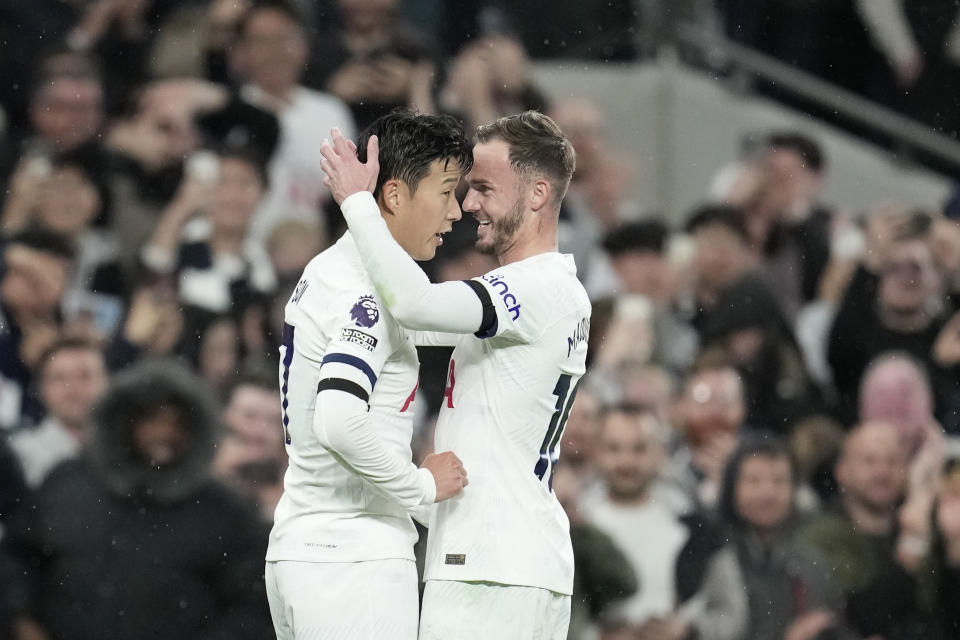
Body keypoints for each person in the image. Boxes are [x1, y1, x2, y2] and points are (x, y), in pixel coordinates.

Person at [321, 110, 592, 639]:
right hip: (514, 565)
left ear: (537, 194)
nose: (469, 204)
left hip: (491, 567)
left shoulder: (536, 288)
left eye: (484, 188)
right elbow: (408, 328)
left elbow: (414, 304)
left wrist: (358, 203)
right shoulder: (545, 293)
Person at [265, 111, 471, 640]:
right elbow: (338, 420)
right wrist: (420, 486)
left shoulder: (332, 269)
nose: (456, 212)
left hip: (307, 550)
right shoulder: (365, 292)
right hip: (352, 561)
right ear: (395, 195)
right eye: (447, 191)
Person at [1, 360, 273, 639]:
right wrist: (22, 619)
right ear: (123, 421)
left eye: (175, 422)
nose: (164, 433)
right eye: (151, 419)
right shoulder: (68, 483)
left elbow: (255, 604)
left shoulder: (223, 510)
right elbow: (16, 558)